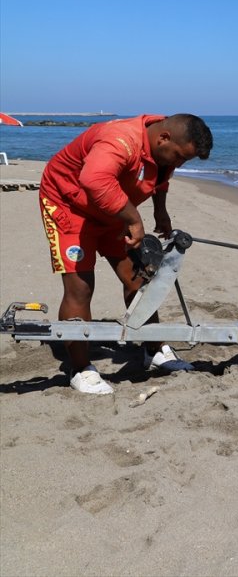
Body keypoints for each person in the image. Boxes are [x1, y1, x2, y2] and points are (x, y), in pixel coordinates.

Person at [39, 114, 214, 394]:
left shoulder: (161, 150)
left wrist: (160, 210)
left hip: (111, 210)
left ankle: (154, 350)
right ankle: (80, 368)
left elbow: (161, 175)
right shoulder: (121, 140)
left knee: (139, 280)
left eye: (184, 161)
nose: (179, 164)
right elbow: (94, 178)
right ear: (164, 138)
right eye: (179, 157)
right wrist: (133, 219)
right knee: (80, 289)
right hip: (68, 207)